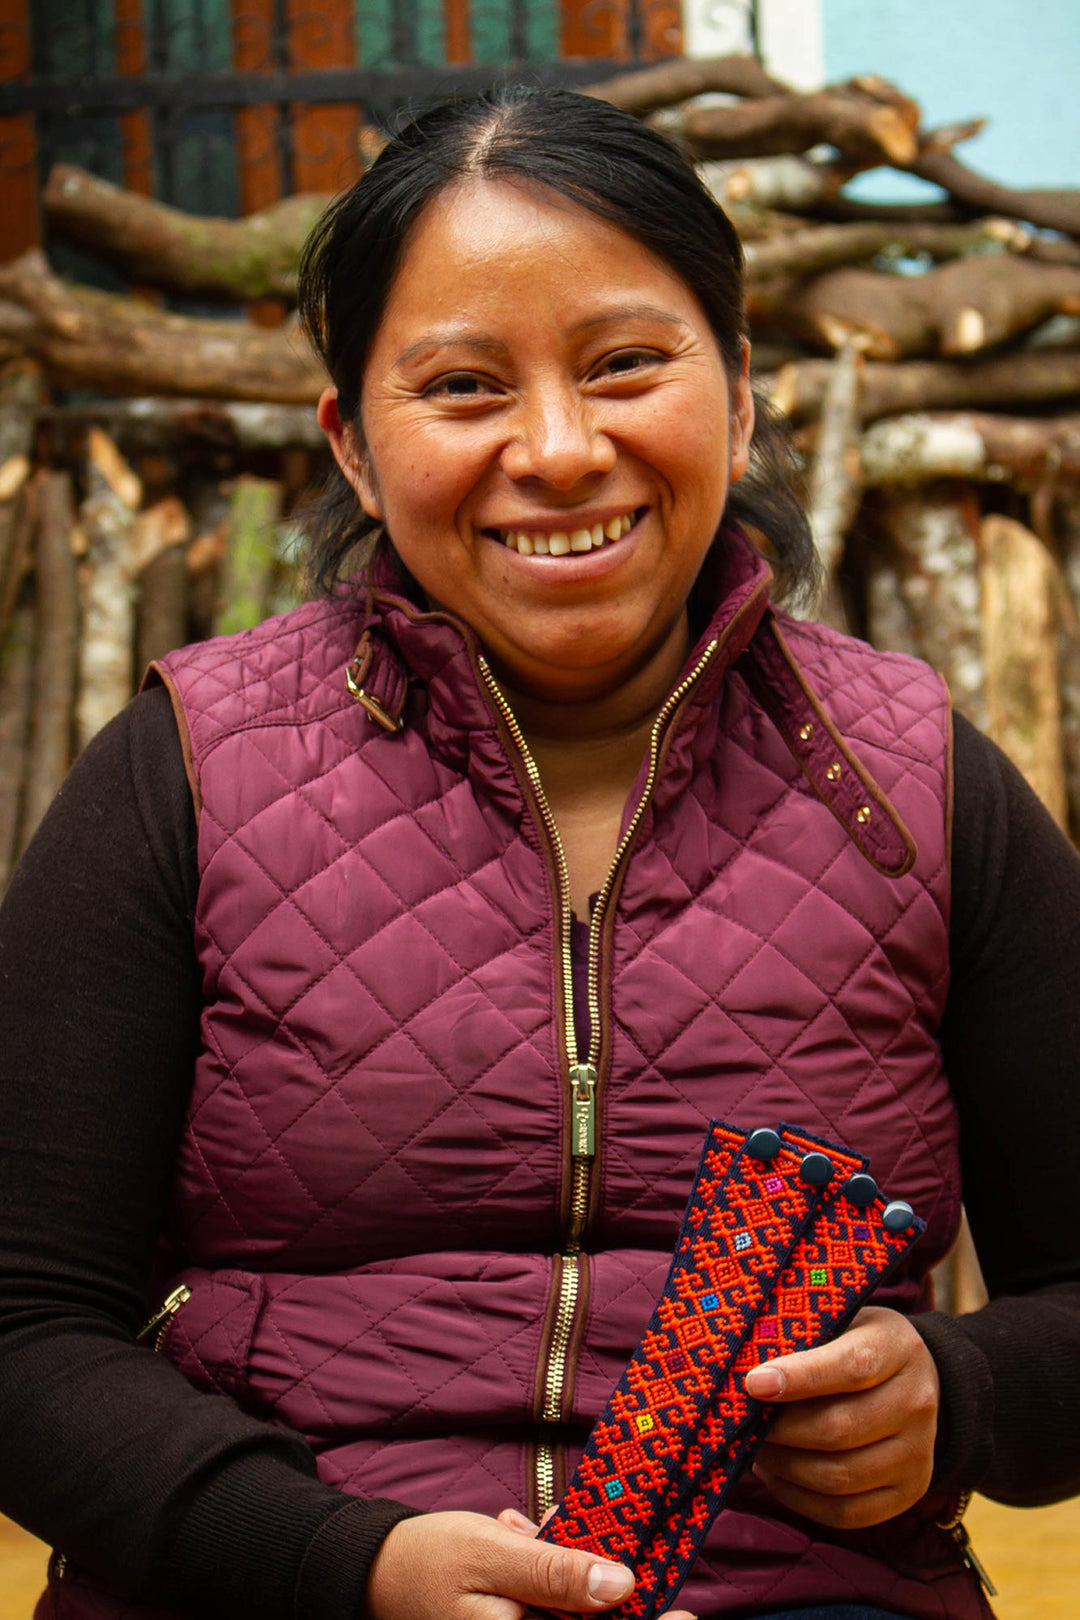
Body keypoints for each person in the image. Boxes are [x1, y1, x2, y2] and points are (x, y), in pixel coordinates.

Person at [2, 84, 1080, 1620]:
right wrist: (333, 1557)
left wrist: (961, 1397)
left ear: (744, 392)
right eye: (460, 387)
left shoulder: (913, 784)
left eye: (628, 363)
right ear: (355, 448)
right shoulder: (180, 774)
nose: (562, 452)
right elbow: (25, 1321)